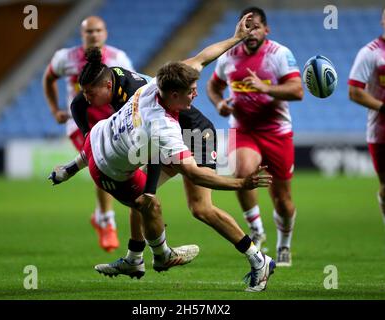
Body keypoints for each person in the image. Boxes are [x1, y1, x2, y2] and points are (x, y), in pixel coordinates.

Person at [50, 13, 277, 292]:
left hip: (194, 135)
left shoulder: (154, 93)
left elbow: (202, 58)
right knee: (142, 198)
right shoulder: (152, 102)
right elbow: (152, 143)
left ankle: (258, 259)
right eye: (191, 90)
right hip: (163, 134)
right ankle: (135, 258)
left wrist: (237, 38)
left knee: (200, 208)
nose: (196, 95)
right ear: (171, 91)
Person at [207, 7, 304, 267]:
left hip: (276, 131)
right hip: (243, 129)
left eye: (257, 27)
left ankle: (284, 243)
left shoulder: (279, 54)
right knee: (242, 171)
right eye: (247, 27)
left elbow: (297, 91)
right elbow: (213, 86)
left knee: (282, 200)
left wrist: (267, 88)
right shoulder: (228, 55)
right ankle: (257, 229)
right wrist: (219, 105)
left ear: (266, 29)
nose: (251, 32)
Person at [42, 16, 134, 252]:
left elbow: (131, 90)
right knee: (101, 162)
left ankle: (101, 216)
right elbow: (48, 78)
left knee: (110, 165)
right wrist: (55, 110)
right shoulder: (65, 58)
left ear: (105, 33)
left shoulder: (118, 58)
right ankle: (107, 222)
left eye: (98, 31)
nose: (93, 35)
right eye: (89, 31)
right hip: (80, 125)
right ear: (82, 34)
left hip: (110, 123)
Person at [348, 8, 385, 226]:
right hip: (381, 130)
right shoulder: (370, 53)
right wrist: (382, 107)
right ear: (382, 20)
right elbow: (354, 92)